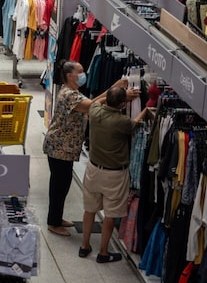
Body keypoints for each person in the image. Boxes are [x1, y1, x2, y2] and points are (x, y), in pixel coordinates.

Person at [43, 60, 129, 237]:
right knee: (59, 186)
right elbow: (92, 106)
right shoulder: (69, 95)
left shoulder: (73, 92)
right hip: (60, 148)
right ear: (70, 76)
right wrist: (114, 89)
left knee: (62, 184)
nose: (83, 75)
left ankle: (56, 218)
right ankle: (53, 222)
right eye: (80, 72)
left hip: (63, 149)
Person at [79, 85, 146, 263]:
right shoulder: (121, 121)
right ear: (123, 104)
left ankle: (84, 246)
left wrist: (117, 95)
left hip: (94, 169)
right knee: (110, 214)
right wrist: (146, 110)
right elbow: (135, 124)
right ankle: (103, 252)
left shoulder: (95, 112)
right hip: (115, 175)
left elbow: (97, 102)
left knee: (90, 209)